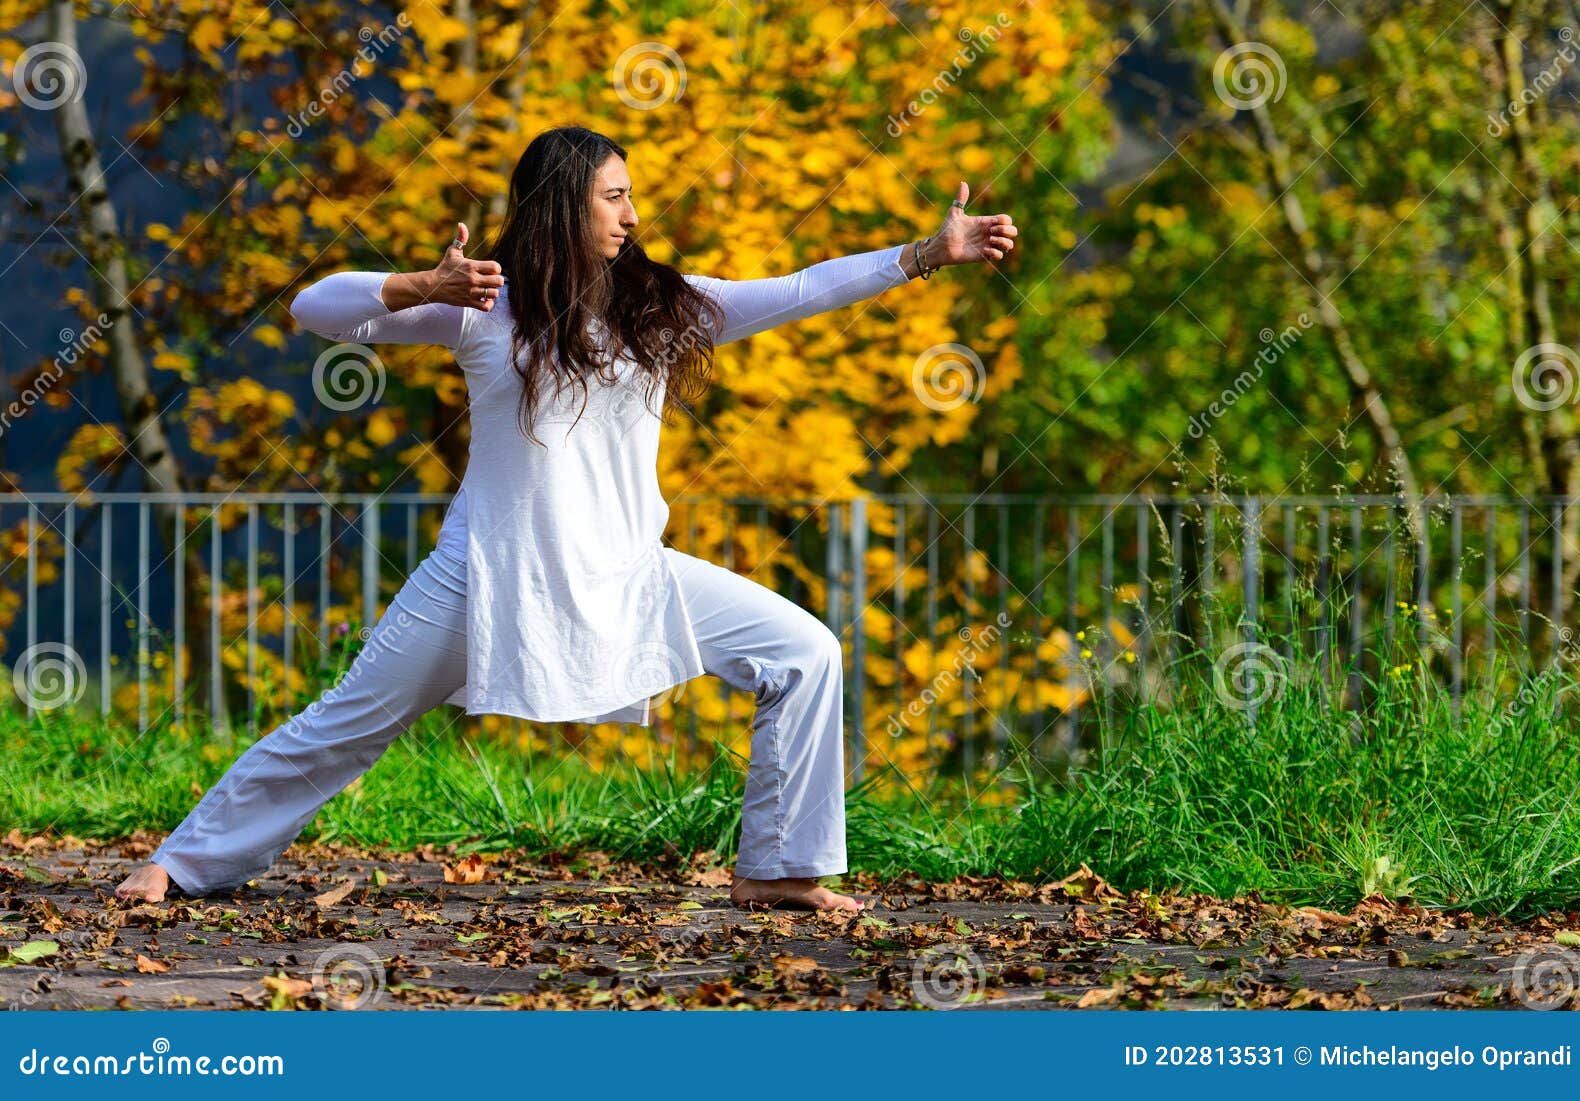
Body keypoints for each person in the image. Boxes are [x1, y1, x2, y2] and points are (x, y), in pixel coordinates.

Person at [115, 125, 1018, 911]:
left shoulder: (661, 309)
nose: (632, 215)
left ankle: (780, 869)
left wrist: (921, 256)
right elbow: (315, 307)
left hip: (632, 572)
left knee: (805, 651)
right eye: (614, 196)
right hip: (486, 579)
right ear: (561, 205)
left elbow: (795, 289)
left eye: (632, 196)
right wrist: (419, 283)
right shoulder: (484, 308)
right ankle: (183, 861)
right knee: (347, 724)